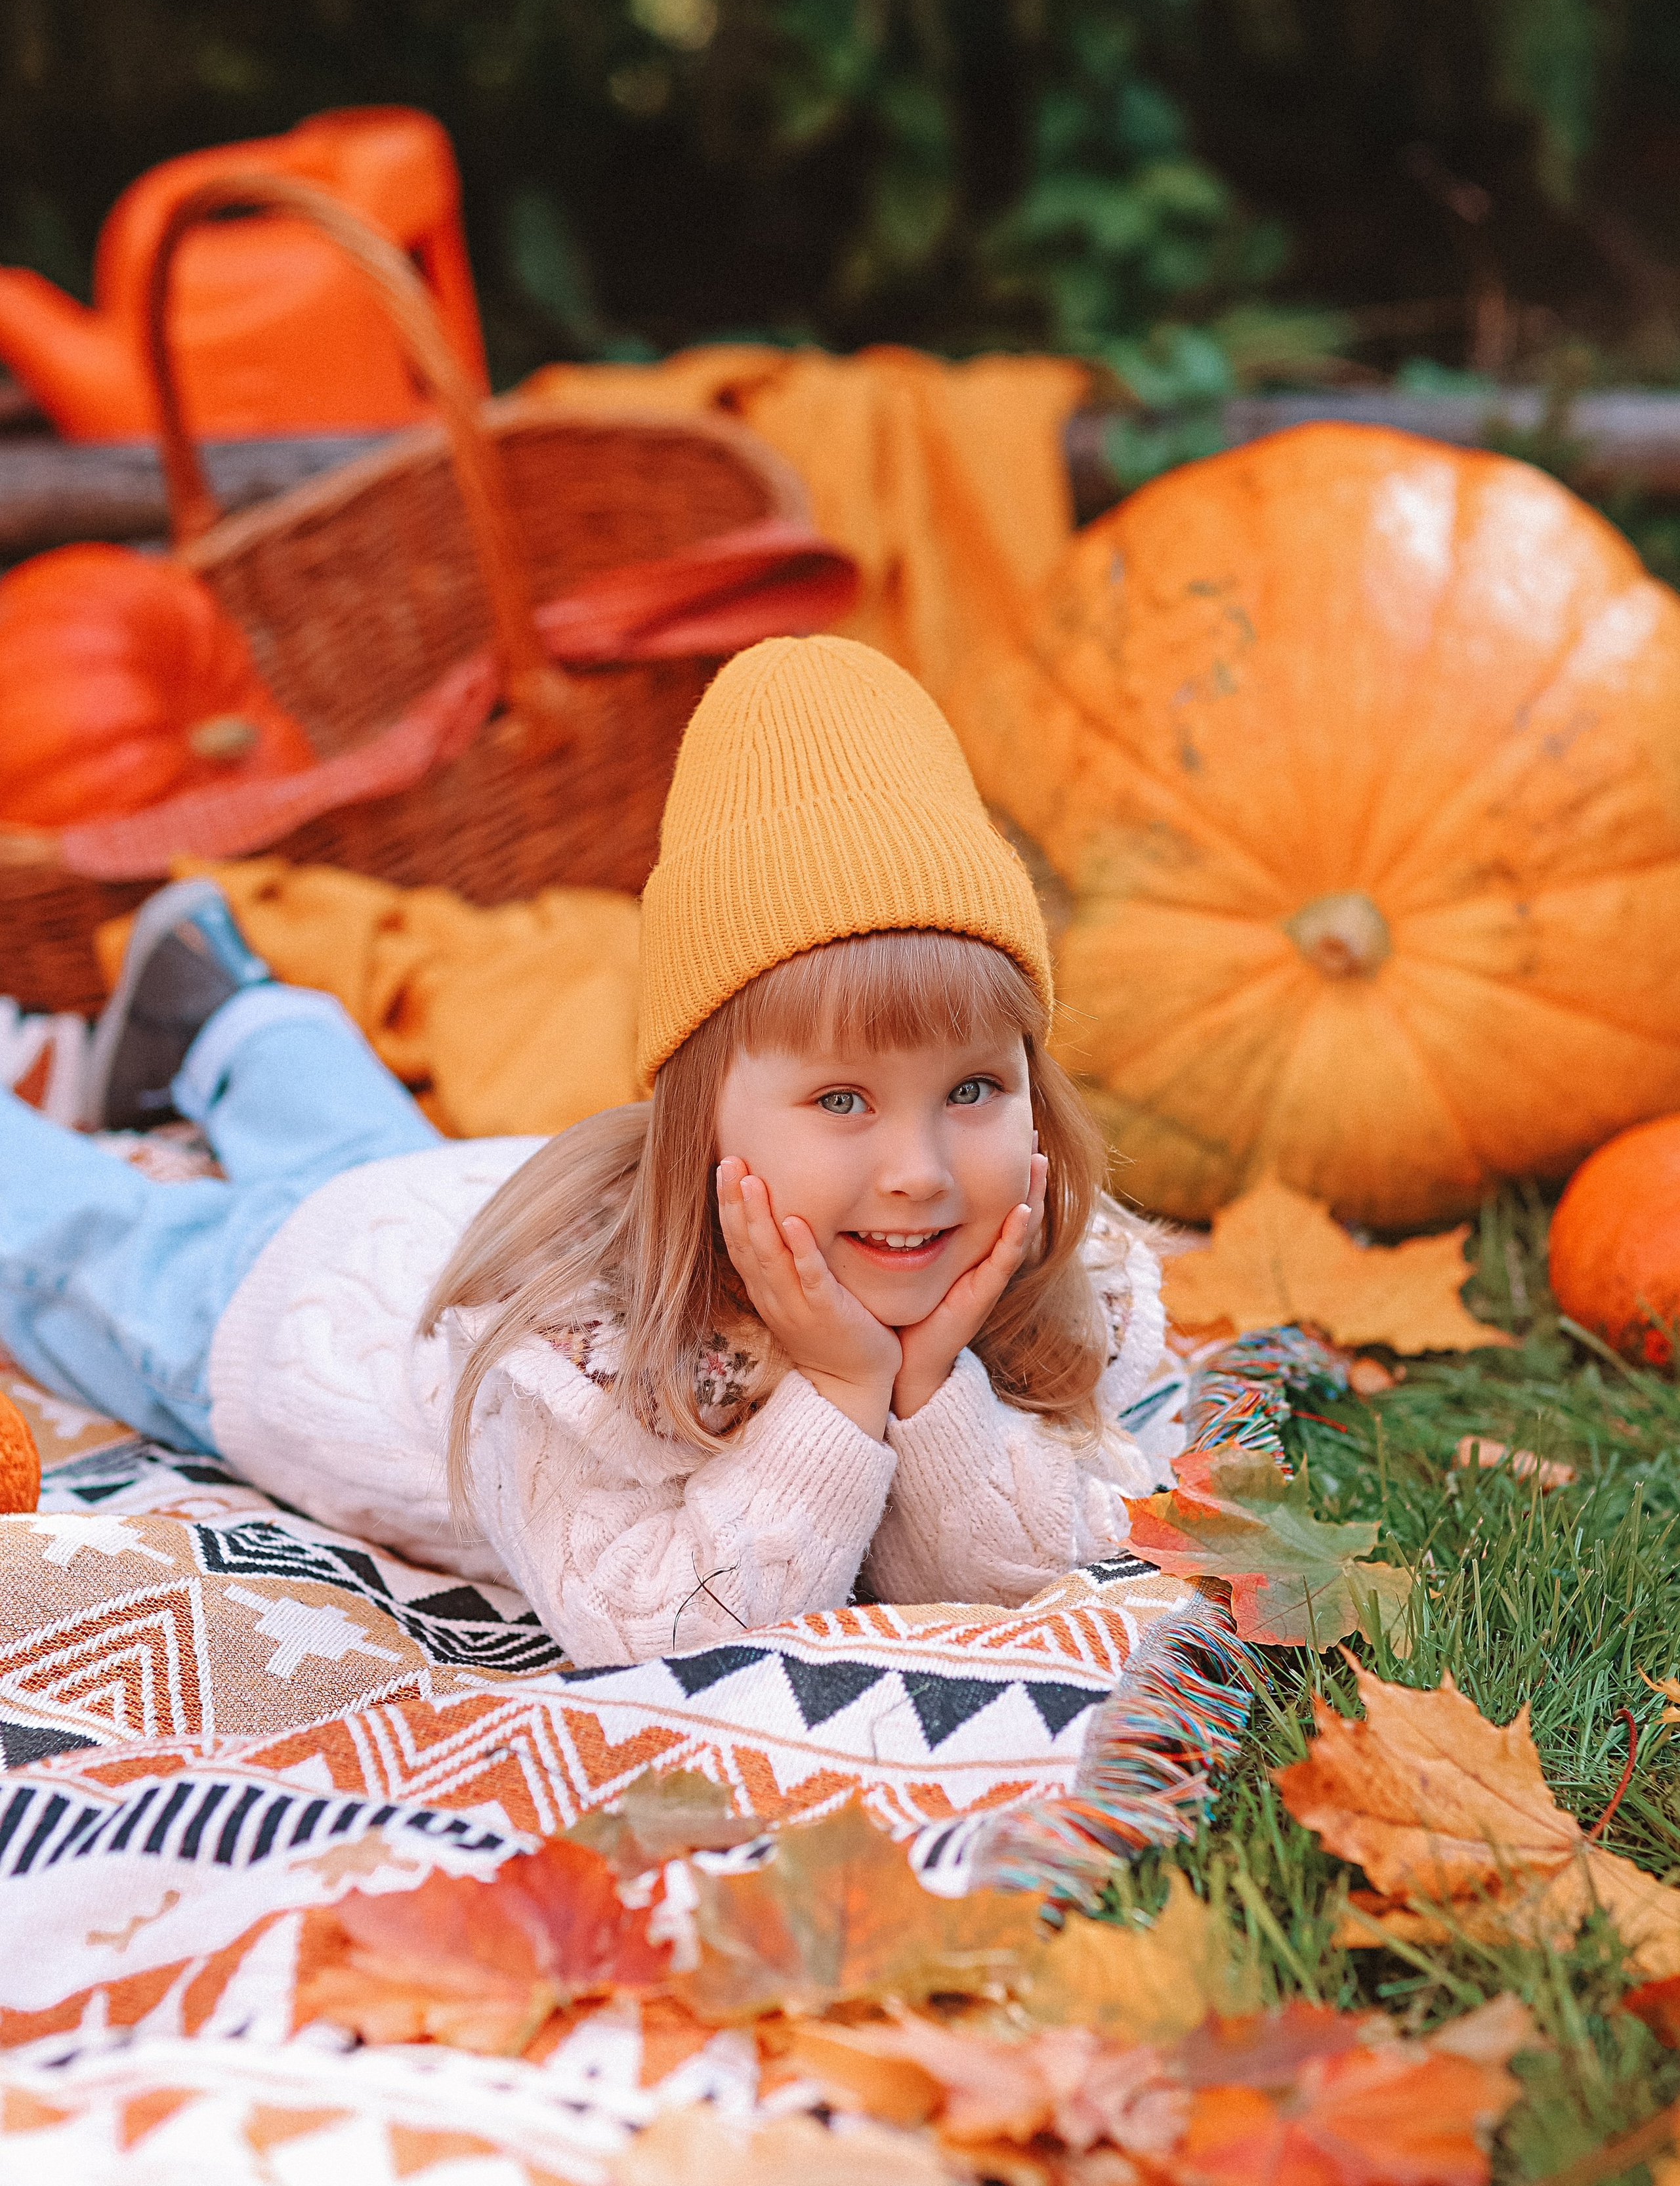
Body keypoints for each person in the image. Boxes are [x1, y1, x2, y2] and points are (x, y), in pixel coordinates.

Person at [0, 637, 1177, 1666]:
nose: (920, 1167)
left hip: (439, 1187)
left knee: (359, 1146)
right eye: (843, 1100)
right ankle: (225, 1031)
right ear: (700, 1118)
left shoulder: (1046, 1261)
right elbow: (659, 1629)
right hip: (293, 1299)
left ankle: (235, 1006)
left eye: (973, 1087)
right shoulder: (575, 1346)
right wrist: (843, 1389)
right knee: (86, 1242)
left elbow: (1015, 1576)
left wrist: (928, 1384)